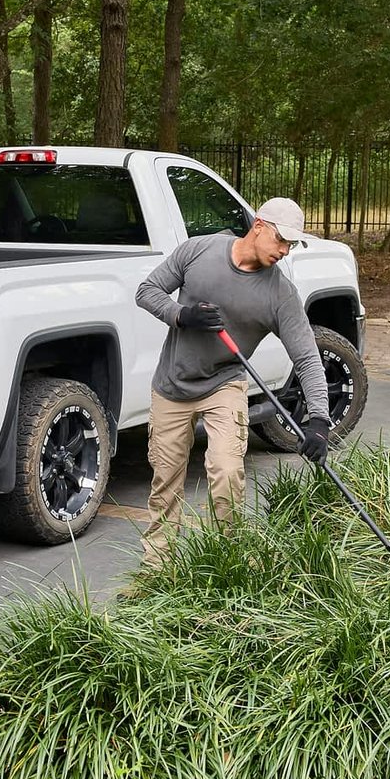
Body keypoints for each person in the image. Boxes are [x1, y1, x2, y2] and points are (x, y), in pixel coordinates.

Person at [134, 196, 331, 561]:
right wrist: (182, 315)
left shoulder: (280, 294)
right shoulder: (199, 251)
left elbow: (306, 357)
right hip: (172, 384)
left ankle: (228, 560)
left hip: (225, 382)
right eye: (281, 240)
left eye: (291, 245)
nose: (284, 251)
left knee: (226, 473)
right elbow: (146, 292)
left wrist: (319, 420)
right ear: (258, 226)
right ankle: (158, 568)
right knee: (166, 482)